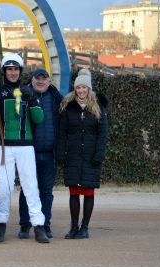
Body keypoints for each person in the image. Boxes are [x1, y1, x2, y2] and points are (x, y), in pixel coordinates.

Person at [0, 54, 50, 243]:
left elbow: (39, 119)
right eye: (9, 69)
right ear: (4, 71)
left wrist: (32, 99)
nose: (13, 72)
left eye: (16, 69)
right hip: (3, 147)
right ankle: (0, 225)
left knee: (30, 186)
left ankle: (38, 226)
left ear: (20, 71)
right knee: (4, 187)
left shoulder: (28, 91)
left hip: (25, 146)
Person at [57, 68, 108, 239]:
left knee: (88, 192)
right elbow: (62, 132)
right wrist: (61, 154)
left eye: (84, 87)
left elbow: (103, 134)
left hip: (91, 156)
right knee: (73, 193)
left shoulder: (98, 108)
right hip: (72, 156)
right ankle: (73, 227)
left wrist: (99, 154)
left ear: (89, 88)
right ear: (75, 88)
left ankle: (84, 228)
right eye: (78, 87)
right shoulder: (67, 107)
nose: (81, 91)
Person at [18, 68, 63, 239]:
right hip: (29, 152)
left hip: (49, 154)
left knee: (46, 192)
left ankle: (45, 225)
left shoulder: (57, 98)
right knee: (26, 190)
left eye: (44, 79)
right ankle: (25, 225)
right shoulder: (22, 95)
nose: (41, 82)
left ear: (49, 81)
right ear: (32, 80)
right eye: (38, 79)